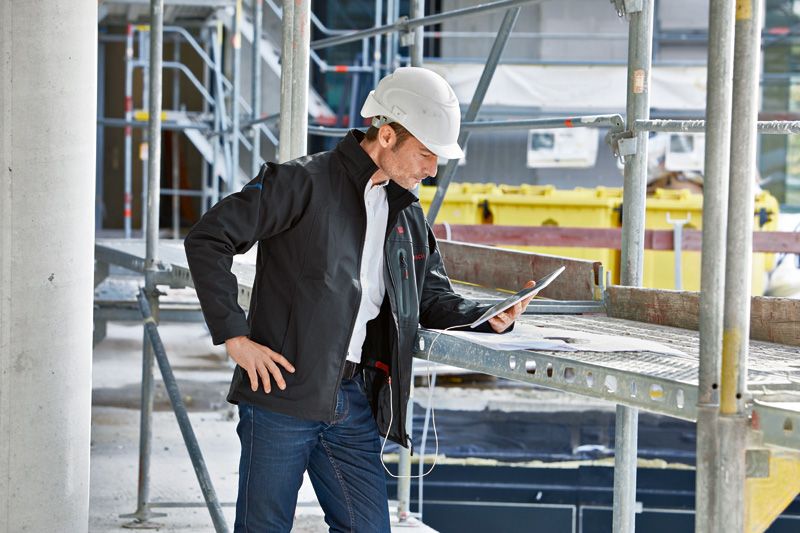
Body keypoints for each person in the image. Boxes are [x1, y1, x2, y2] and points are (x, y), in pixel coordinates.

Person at [184, 67, 534, 533]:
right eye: (426, 154)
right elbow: (209, 238)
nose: (432, 170)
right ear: (386, 135)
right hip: (281, 394)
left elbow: (430, 296)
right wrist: (234, 335)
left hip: (351, 399)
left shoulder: (406, 215)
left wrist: (487, 317)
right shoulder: (300, 183)